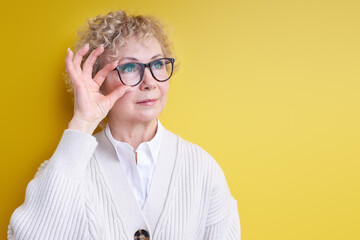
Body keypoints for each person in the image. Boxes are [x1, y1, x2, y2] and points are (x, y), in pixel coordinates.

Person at [8, 10, 240, 240]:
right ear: (97, 82)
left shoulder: (202, 169)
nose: (150, 82)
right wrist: (82, 123)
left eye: (158, 64)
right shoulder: (67, 167)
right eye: (130, 68)